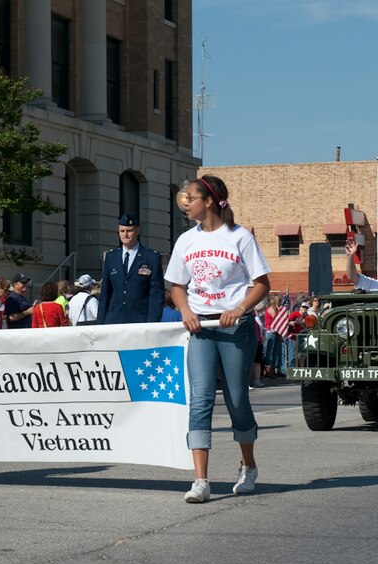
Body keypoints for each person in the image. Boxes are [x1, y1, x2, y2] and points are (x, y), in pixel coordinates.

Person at [165, 175, 270, 503]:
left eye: (191, 199)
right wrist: (185, 311)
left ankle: (248, 465)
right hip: (201, 331)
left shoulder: (239, 237)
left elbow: (262, 284)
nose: (186, 205)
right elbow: (177, 286)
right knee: (200, 401)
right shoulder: (186, 241)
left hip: (235, 328)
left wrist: (239, 308)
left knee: (237, 399)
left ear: (208, 201)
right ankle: (200, 480)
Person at [97, 212, 165, 324]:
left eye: (129, 231)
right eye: (122, 231)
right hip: (114, 319)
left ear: (137, 231)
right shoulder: (111, 257)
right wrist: (100, 323)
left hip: (139, 320)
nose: (125, 235)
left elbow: (156, 293)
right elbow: (105, 293)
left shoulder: (151, 257)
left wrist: (152, 323)